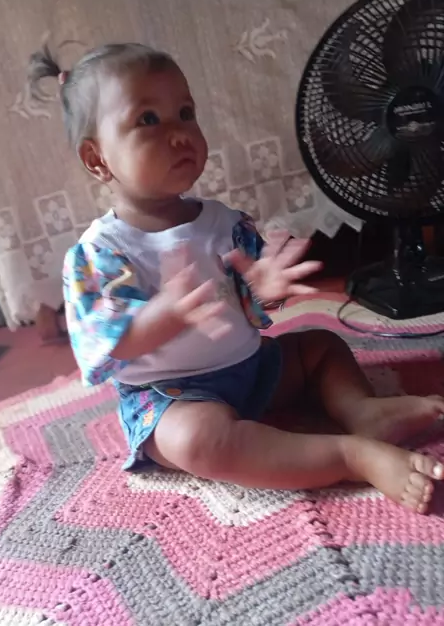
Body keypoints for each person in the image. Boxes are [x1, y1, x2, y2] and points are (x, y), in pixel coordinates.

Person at [29, 42, 444, 514]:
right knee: (196, 441)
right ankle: (350, 456)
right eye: (148, 119)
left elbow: (251, 306)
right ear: (97, 159)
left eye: (186, 113)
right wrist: (164, 315)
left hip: (252, 368)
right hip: (172, 396)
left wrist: (265, 291)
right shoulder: (101, 252)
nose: (179, 133)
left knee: (320, 346)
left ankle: (361, 411)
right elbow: (107, 343)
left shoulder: (223, 222)